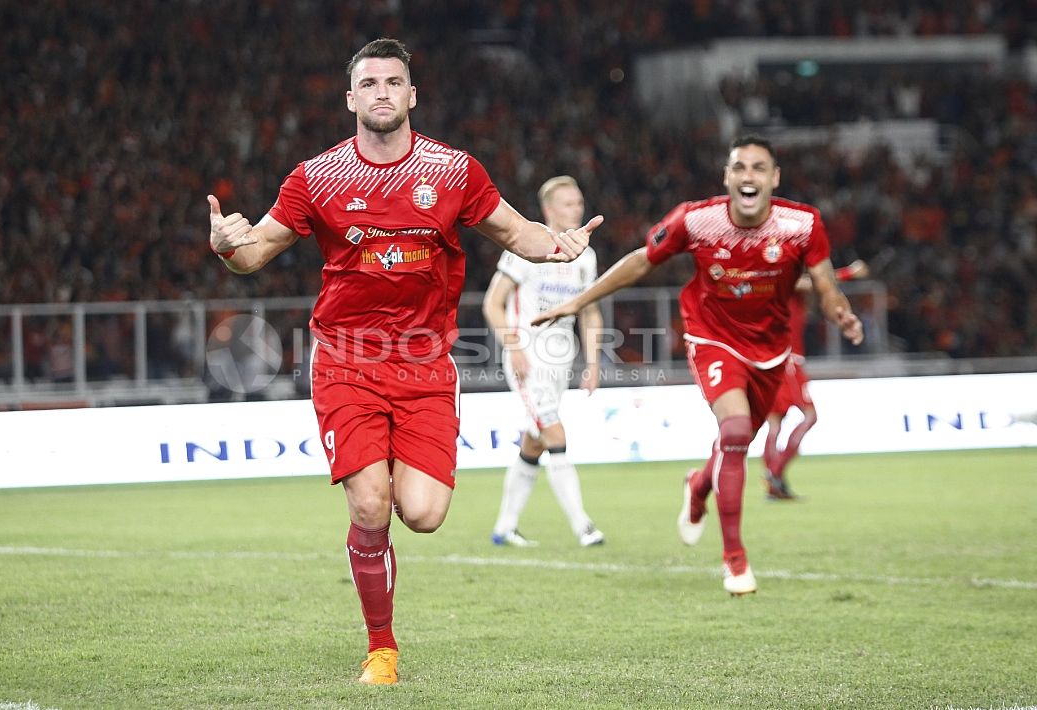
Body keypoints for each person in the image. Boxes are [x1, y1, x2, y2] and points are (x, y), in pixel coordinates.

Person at [206, 38, 601, 685]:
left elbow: (514, 230)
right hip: (346, 358)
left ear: (412, 94)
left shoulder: (453, 171)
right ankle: (381, 649)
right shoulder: (318, 176)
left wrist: (557, 246)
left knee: (421, 513)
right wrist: (227, 247)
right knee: (370, 504)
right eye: (370, 83)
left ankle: (393, 500)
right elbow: (255, 253)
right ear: (351, 98)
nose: (382, 92)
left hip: (424, 365)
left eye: (394, 82)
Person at [533, 135, 862, 596]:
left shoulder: (802, 224)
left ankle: (697, 486)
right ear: (727, 177)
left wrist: (840, 312)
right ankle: (735, 560)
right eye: (740, 167)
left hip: (771, 349)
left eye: (759, 168)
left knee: (739, 440)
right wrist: (576, 303)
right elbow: (641, 262)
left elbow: (825, 284)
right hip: (712, 338)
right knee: (733, 433)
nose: (749, 175)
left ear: (774, 178)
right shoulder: (696, 219)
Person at [482, 176, 606, 548]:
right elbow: (493, 302)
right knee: (554, 432)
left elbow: (590, 313)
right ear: (549, 211)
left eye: (579, 203)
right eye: (568, 204)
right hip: (529, 358)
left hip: (561, 359)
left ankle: (504, 527)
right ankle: (584, 526)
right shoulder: (528, 247)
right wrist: (514, 346)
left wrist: (594, 363)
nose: (577, 210)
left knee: (534, 442)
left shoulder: (586, 256)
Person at [763, 259, 869, 499]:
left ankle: (774, 485)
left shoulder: (772, 281)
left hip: (774, 359)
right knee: (809, 416)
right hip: (788, 360)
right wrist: (850, 272)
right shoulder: (784, 280)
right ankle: (775, 472)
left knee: (775, 422)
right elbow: (814, 283)